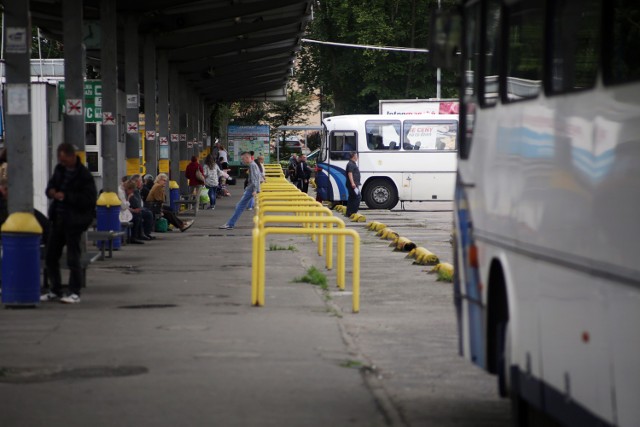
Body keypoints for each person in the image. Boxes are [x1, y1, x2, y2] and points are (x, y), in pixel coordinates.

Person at [41, 143, 97, 304]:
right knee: (51, 256)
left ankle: (74, 292)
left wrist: (66, 196)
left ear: (73, 157)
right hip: (57, 220)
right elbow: (50, 187)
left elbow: (88, 200)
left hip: (74, 222)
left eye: (65, 160)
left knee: (73, 258)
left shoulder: (84, 175)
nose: (63, 163)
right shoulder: (59, 170)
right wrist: (51, 192)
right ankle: (55, 290)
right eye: (61, 160)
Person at [219, 151, 260, 230]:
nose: (242, 161)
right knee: (240, 206)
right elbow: (257, 177)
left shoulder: (252, 165)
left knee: (240, 206)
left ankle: (230, 224)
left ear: (247, 157)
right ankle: (230, 223)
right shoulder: (253, 165)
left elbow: (255, 178)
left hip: (251, 189)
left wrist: (255, 189)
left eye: (243, 159)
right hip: (251, 188)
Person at [129, 174, 155, 240]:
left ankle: (145, 233)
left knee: (148, 212)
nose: (142, 183)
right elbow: (135, 203)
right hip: (132, 209)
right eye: (141, 181)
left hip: (135, 208)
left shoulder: (137, 190)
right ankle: (143, 234)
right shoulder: (134, 190)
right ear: (136, 182)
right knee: (147, 214)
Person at [345, 151, 361, 217]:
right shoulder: (351, 164)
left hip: (353, 184)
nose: (357, 157)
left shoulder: (352, 163)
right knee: (357, 197)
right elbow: (350, 173)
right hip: (353, 184)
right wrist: (353, 183)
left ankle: (349, 212)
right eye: (356, 155)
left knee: (352, 198)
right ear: (354, 156)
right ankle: (353, 212)